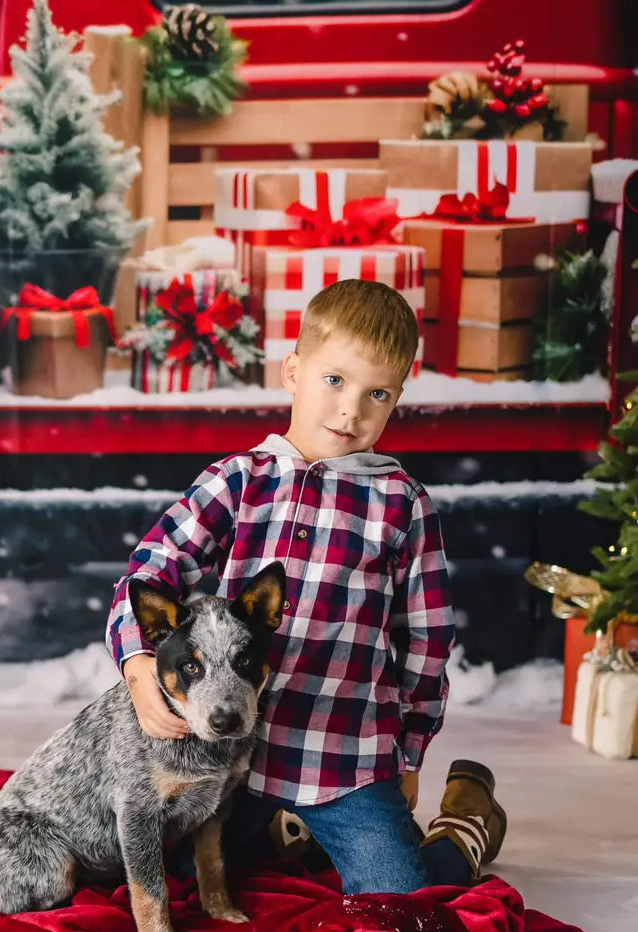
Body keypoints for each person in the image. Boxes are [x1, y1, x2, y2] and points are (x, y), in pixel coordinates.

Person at [106, 279, 506, 894]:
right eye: (335, 381)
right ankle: (284, 833)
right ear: (293, 370)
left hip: (344, 759)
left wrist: (408, 755)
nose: (351, 411)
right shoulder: (240, 480)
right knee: (191, 879)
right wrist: (137, 666)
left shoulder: (402, 504)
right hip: (236, 759)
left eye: (378, 393)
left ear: (397, 398)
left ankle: (464, 822)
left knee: (401, 900)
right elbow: (149, 571)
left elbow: (426, 643)